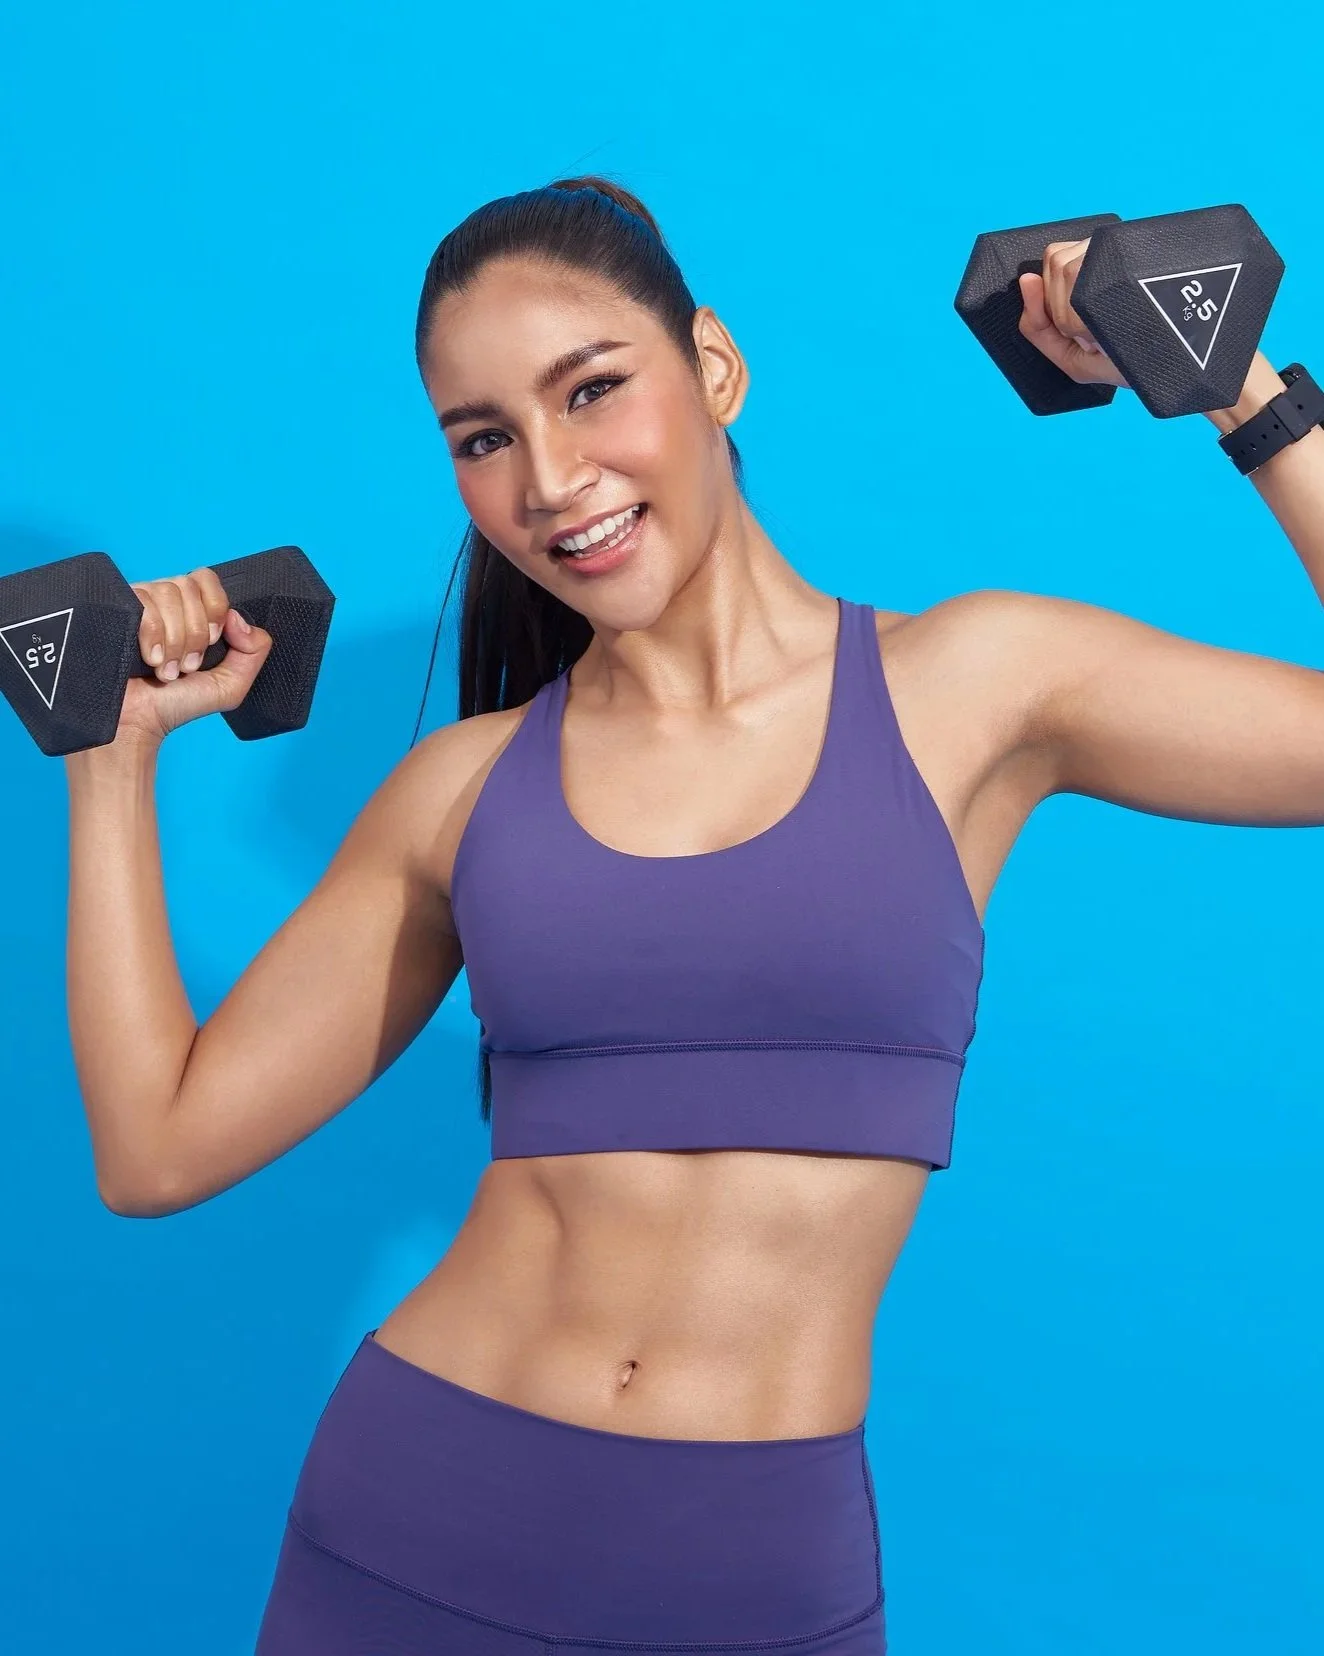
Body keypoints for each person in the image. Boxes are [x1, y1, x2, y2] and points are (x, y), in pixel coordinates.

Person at [64, 177, 1324, 1655]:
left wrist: (1239, 385)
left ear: (712, 368)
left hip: (749, 1574)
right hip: (410, 1532)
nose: (548, 478)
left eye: (592, 390)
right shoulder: (460, 791)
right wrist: (111, 764)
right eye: (485, 438)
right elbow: (155, 1148)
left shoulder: (976, 683)